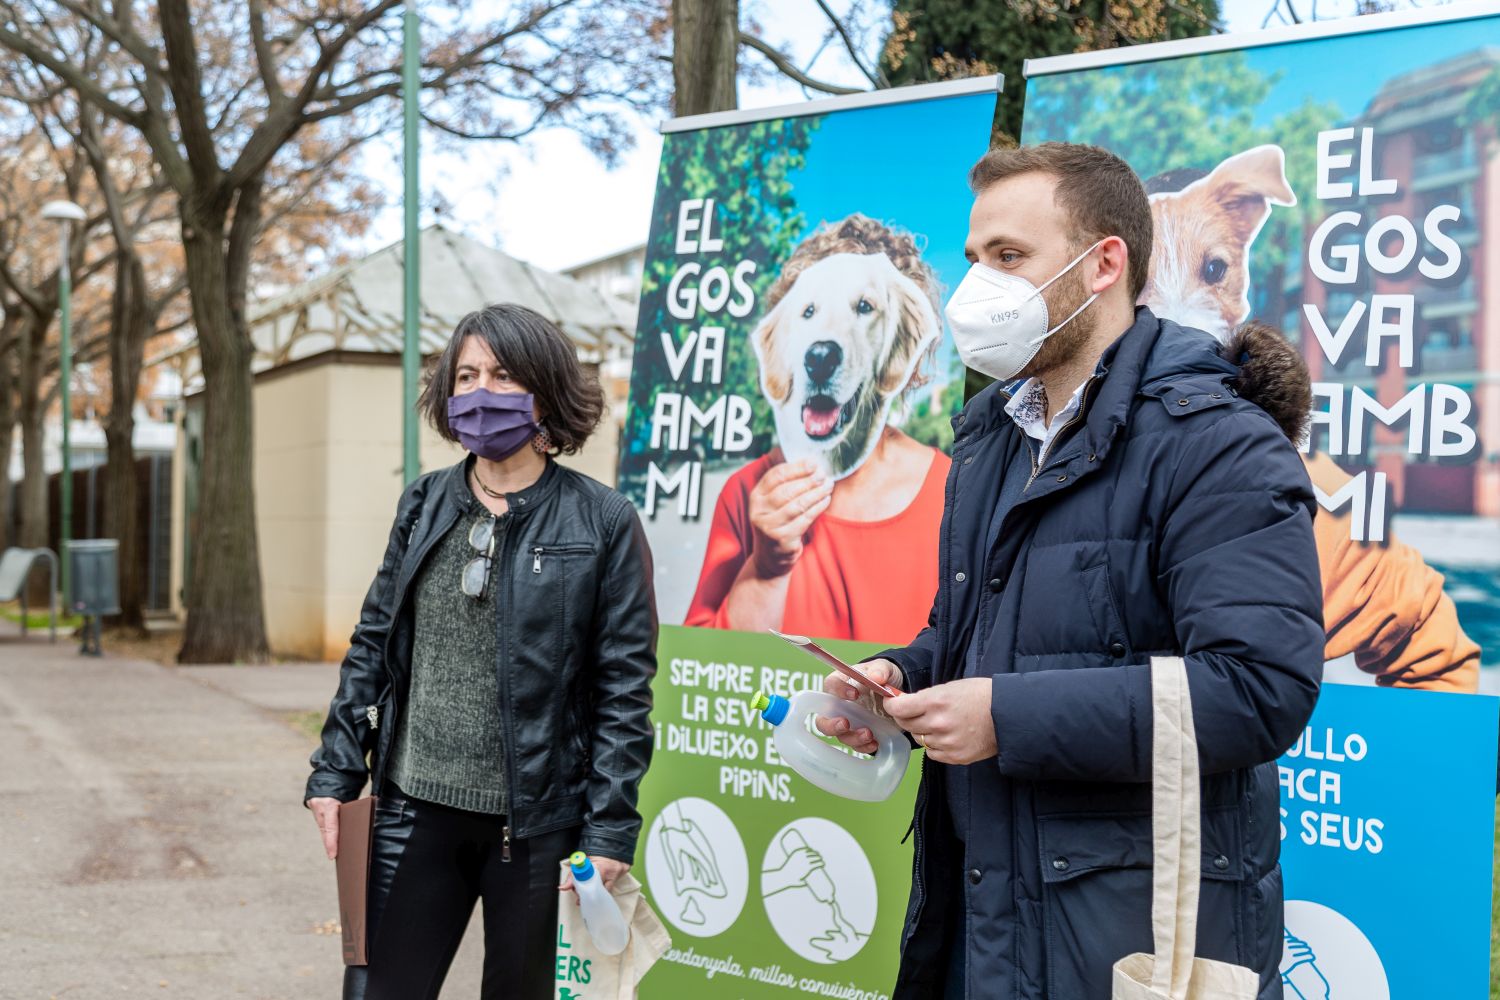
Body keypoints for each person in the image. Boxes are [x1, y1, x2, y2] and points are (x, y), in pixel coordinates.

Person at [817, 143, 1324, 999]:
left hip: (1128, 946)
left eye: (1010, 258)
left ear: (1104, 265)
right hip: (983, 922)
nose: (980, 284)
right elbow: (974, 634)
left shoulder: (1219, 444)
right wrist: (901, 677)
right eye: (976, 258)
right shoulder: (989, 440)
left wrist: (1005, 718)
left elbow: (1257, 688)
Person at [304, 304, 658, 1000]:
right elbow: (374, 642)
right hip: (411, 809)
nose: (479, 393)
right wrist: (335, 771)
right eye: (464, 377)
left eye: (500, 374)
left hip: (537, 832)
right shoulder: (424, 502)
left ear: (545, 389)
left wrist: (610, 830)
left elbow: (623, 689)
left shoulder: (604, 521)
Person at [685, 215, 951, 644]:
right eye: (809, 312)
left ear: (902, 342)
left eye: (864, 308)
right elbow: (703, 669)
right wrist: (766, 565)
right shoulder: (746, 492)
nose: (823, 345)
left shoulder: (952, 496)